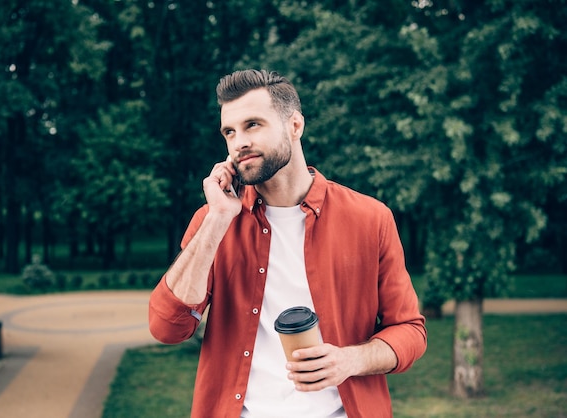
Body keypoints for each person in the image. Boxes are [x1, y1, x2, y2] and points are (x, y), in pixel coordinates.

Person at [149, 69, 427, 418]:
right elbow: (167, 328)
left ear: (295, 126)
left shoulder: (371, 218)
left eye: (253, 125)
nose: (239, 143)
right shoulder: (212, 222)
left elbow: (410, 331)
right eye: (229, 132)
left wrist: (350, 360)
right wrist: (217, 219)